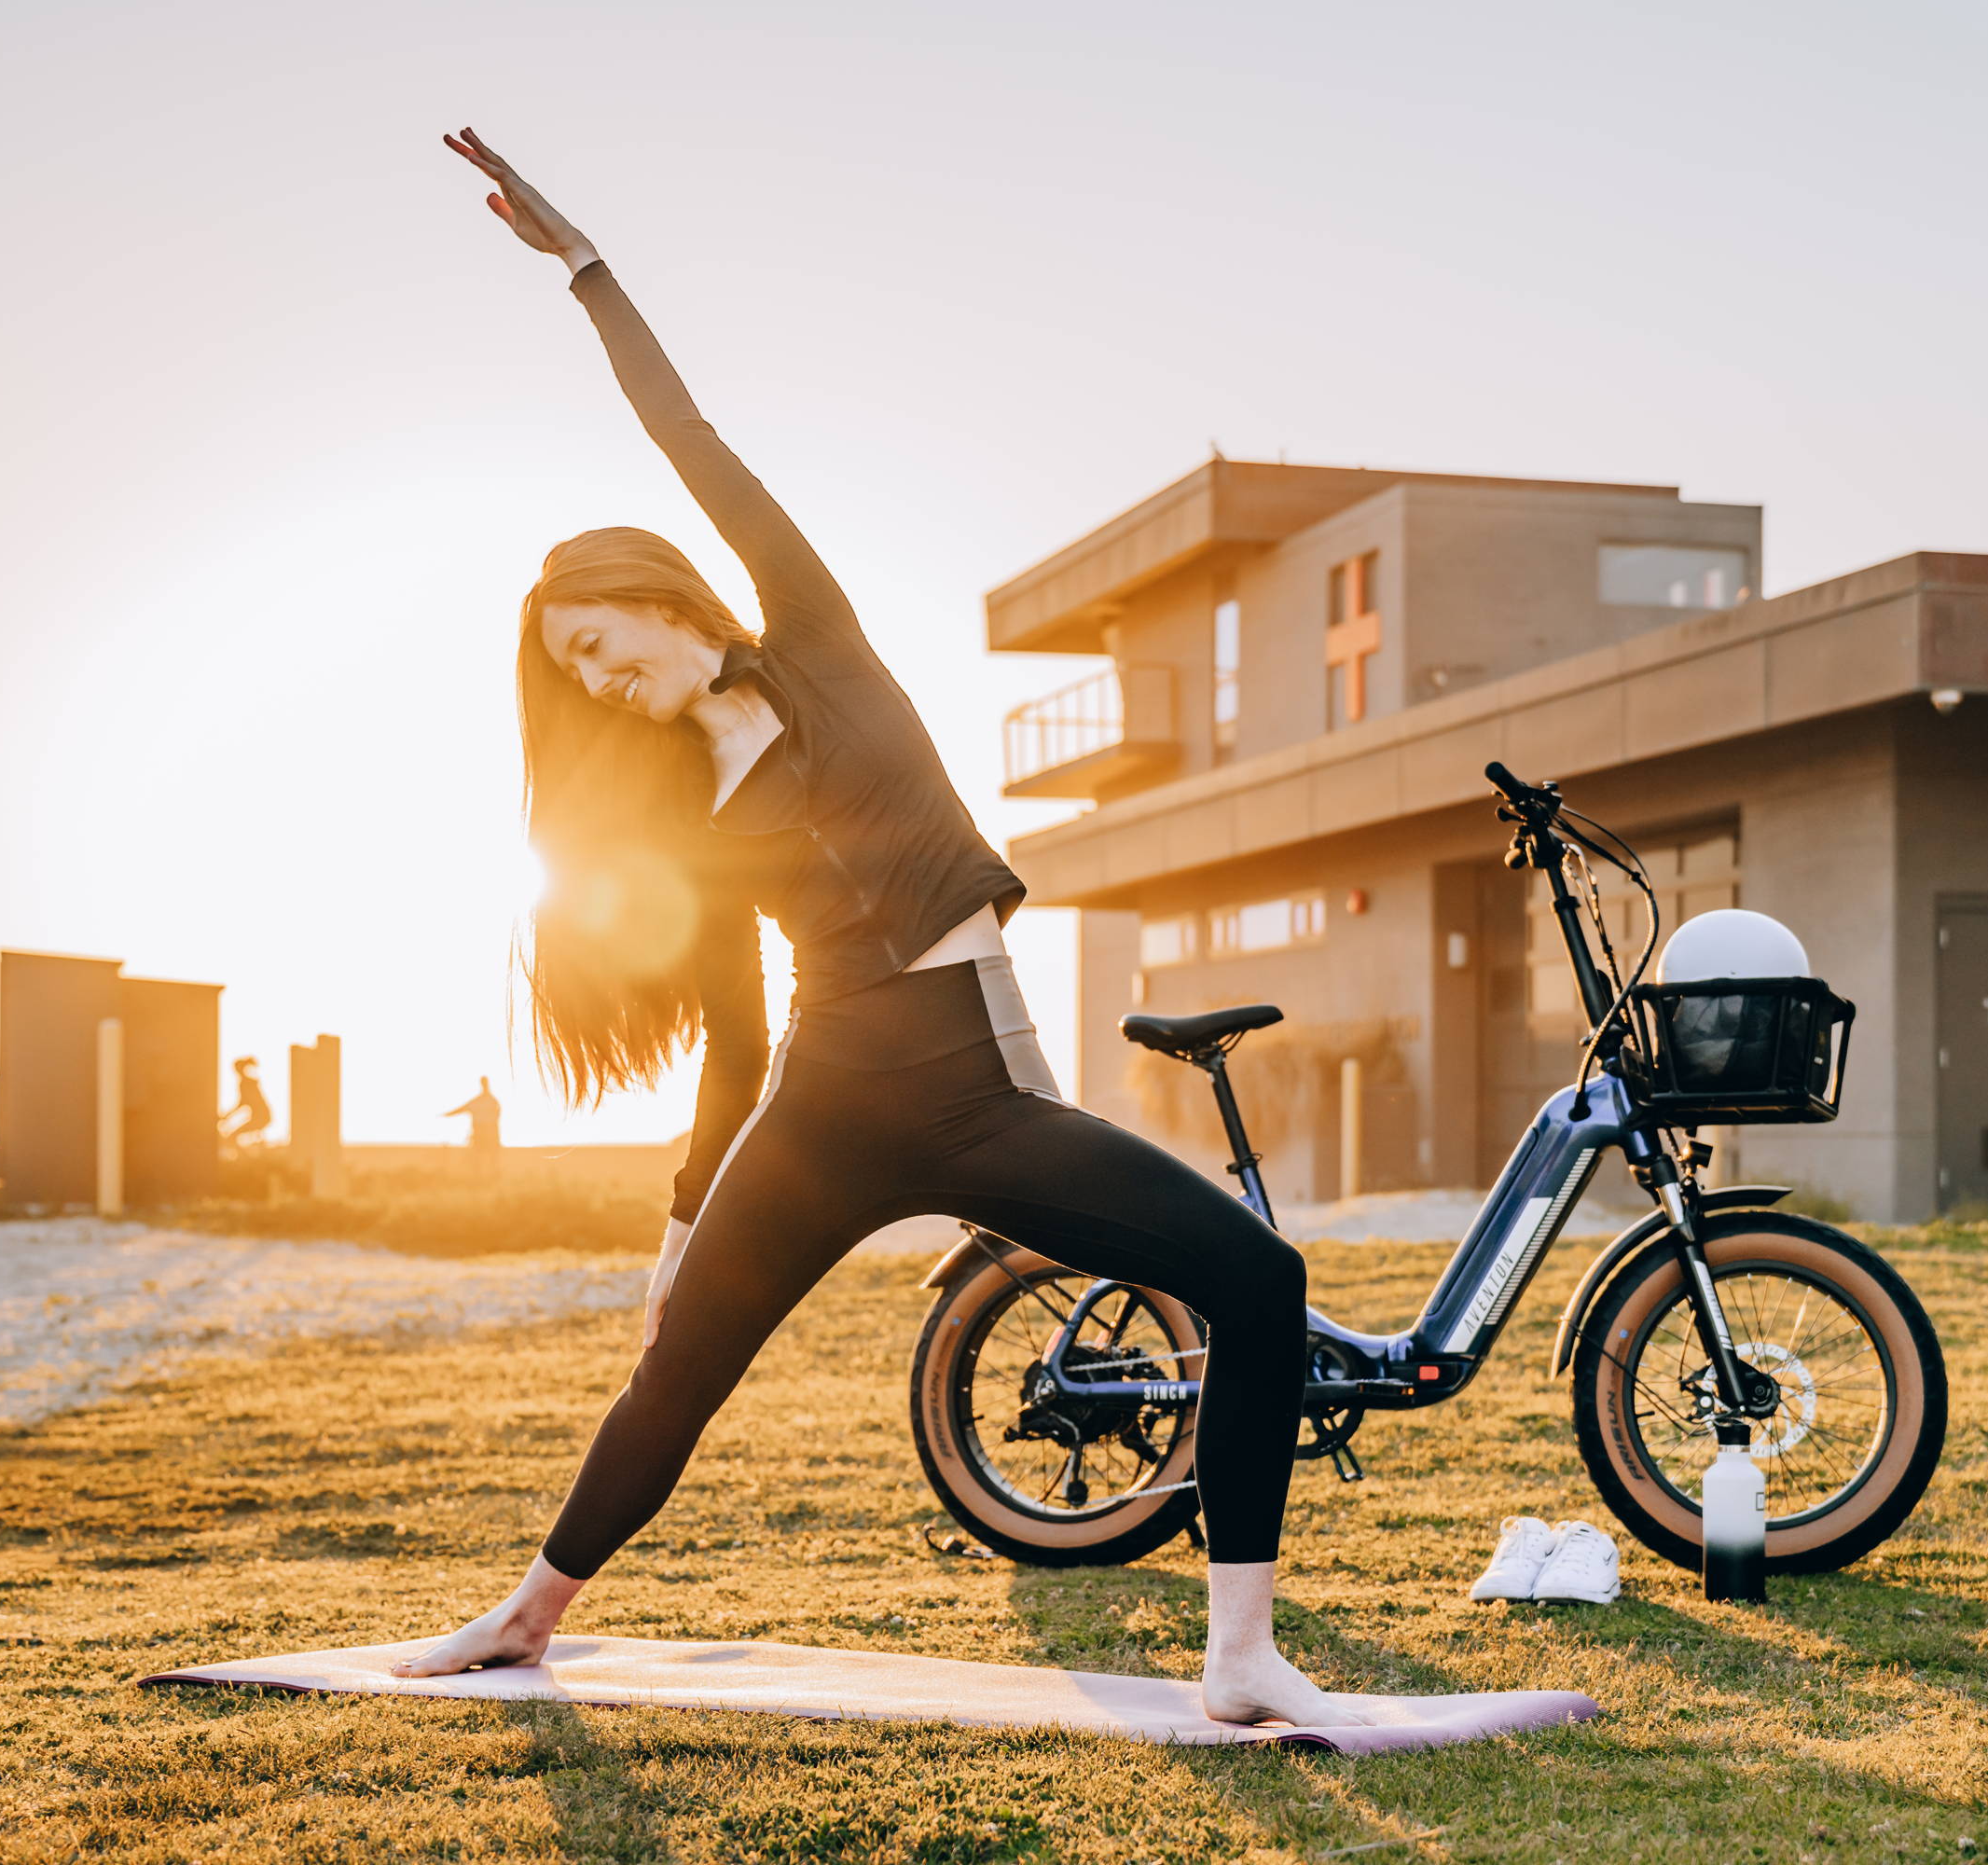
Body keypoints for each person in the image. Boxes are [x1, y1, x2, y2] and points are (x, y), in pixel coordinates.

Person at [399, 131, 1355, 1728]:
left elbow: (691, 434)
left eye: (597, 645)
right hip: (827, 1107)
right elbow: (731, 1036)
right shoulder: (686, 828)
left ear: (663, 599)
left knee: (1256, 1282)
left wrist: (586, 272)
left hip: (977, 1097)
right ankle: (523, 1617)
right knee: (674, 1377)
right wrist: (681, 1228)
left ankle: (1241, 1653)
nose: (595, 679)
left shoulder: (819, 645)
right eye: (567, 677)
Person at [443, 1077, 503, 1177]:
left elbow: (497, 1115)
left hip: (488, 1132)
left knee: (490, 1157)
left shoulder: (491, 1101)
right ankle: (480, 1177)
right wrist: (447, 1115)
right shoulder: (484, 1101)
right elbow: (461, 1109)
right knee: (479, 1156)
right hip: (481, 1132)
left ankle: (491, 1176)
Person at [218, 1057, 271, 1155]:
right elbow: (244, 1103)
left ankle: (246, 1158)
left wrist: (227, 1116)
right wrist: (228, 1116)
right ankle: (250, 1156)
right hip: (260, 1116)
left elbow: (243, 1103)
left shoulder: (245, 1083)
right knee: (236, 1136)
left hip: (261, 1117)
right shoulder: (247, 1082)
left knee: (233, 1137)